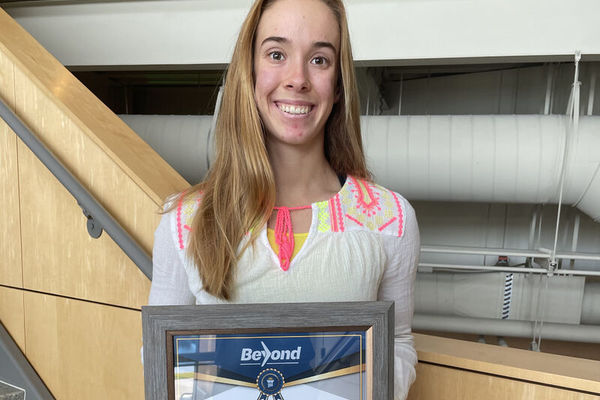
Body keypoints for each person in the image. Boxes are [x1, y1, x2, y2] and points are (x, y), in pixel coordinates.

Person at [148, 0, 420, 398]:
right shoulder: (184, 220)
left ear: (339, 84)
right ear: (250, 71)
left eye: (319, 60)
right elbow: (159, 357)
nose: (297, 79)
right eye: (277, 54)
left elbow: (397, 344)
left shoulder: (390, 220)